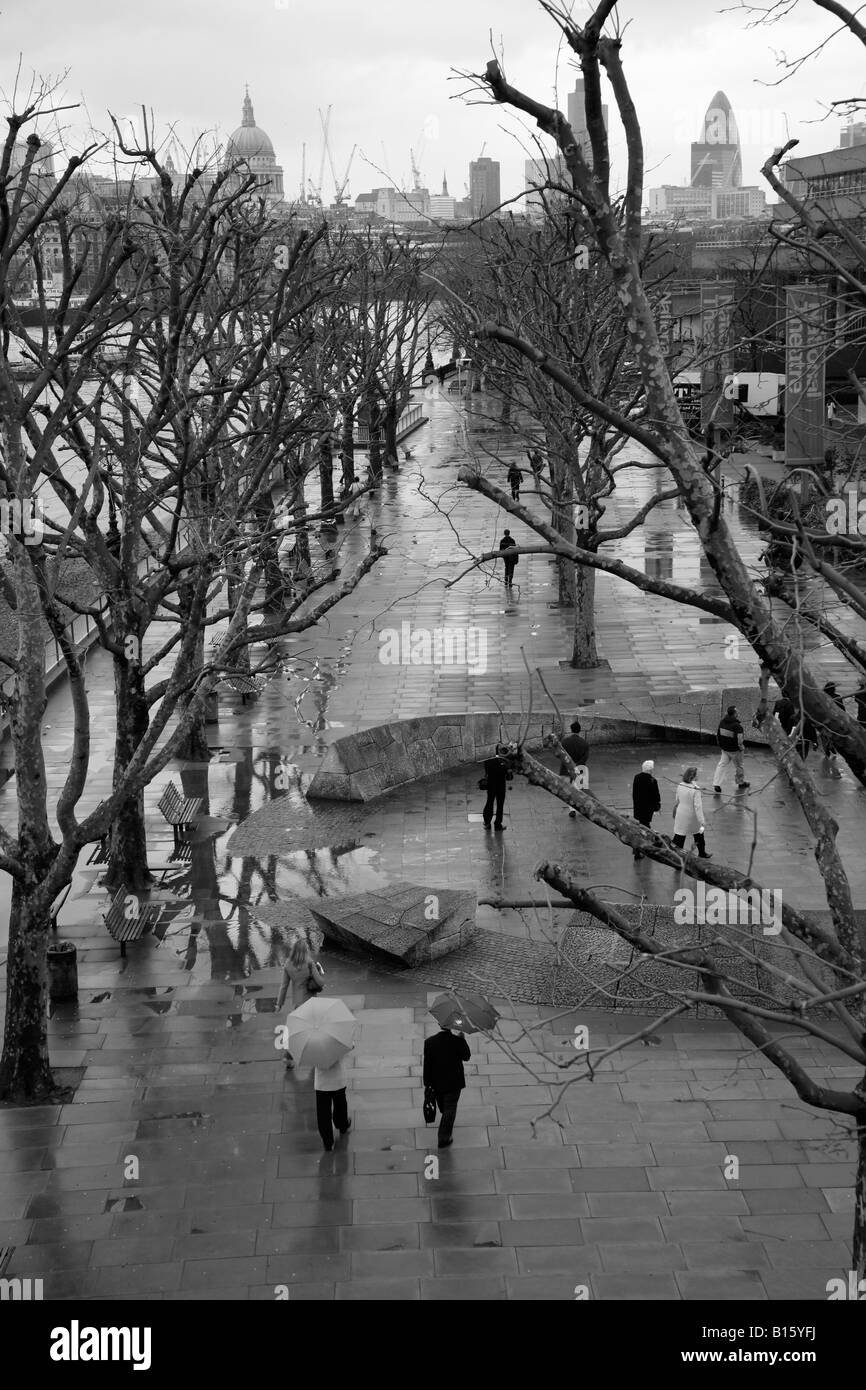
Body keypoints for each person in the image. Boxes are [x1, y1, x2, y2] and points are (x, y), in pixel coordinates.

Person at [276, 937, 326, 1068]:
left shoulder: (288, 964)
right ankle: (313, 1056)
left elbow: (284, 986)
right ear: (305, 951)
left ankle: (288, 1056)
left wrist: (279, 1003)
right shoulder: (310, 963)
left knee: (298, 1030)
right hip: (311, 1003)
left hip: (298, 1003)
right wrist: (319, 971)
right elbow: (320, 982)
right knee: (314, 1031)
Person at [422, 1024, 471, 1149]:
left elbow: (427, 1064)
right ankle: (443, 1137)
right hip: (454, 1083)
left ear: (439, 1025)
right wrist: (462, 1039)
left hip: (437, 1083)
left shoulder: (429, 1042)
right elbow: (466, 1056)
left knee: (444, 1107)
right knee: (450, 1108)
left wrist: (427, 1083)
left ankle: (445, 1122)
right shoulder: (457, 1041)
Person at [315, 1049, 351, 1151]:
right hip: (338, 1077)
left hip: (321, 1082)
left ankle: (327, 1141)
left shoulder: (313, 1043)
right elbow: (350, 1046)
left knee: (323, 1113)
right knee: (340, 1104)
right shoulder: (338, 1037)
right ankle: (342, 1124)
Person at [672, 766, 711, 859]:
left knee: (680, 834)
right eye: (696, 774)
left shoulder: (680, 785)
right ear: (693, 776)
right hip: (691, 815)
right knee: (698, 834)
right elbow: (698, 807)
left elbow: (677, 799)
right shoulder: (696, 789)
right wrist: (702, 820)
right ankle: (702, 852)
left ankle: (676, 855)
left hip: (681, 812)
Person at [713, 705, 750, 793]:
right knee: (739, 766)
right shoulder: (737, 726)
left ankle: (716, 784)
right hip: (735, 751)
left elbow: (718, 735)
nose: (738, 713)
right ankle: (740, 782)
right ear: (734, 714)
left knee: (721, 765)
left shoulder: (722, 722)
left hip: (725, 749)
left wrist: (721, 746)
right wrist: (741, 748)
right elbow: (740, 740)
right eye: (737, 712)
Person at [559, 719, 589, 819]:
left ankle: (572, 809)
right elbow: (585, 757)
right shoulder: (584, 743)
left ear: (571, 730)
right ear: (579, 730)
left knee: (569, 790)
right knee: (579, 789)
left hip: (566, 769)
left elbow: (561, 755)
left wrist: (570, 764)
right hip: (580, 769)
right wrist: (577, 764)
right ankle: (582, 807)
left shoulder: (565, 742)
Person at [631, 759, 661, 858]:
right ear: (651, 770)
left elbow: (634, 793)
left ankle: (648, 843)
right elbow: (656, 796)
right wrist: (657, 805)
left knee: (643, 825)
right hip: (648, 809)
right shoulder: (652, 781)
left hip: (639, 807)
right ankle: (640, 849)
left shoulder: (636, 777)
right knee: (645, 826)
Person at [481, 742, 513, 830]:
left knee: (490, 802)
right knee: (499, 805)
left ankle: (487, 822)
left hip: (491, 784)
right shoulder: (504, 761)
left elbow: (487, 771)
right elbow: (509, 775)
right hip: (500, 784)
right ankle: (497, 824)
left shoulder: (488, 760)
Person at [820, 681, 846, 776]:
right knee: (834, 735)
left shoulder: (822, 696)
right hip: (834, 721)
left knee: (824, 735)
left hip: (824, 720)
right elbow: (842, 710)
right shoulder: (837, 697)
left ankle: (826, 748)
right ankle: (832, 747)